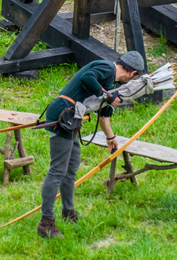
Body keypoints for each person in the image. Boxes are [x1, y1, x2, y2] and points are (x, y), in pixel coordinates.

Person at [37, 51, 145, 240]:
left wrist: (110, 137)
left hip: (71, 118)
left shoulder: (109, 82)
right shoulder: (107, 68)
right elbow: (87, 77)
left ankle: (68, 212)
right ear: (133, 73)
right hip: (63, 115)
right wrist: (105, 95)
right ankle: (46, 223)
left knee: (71, 168)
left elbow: (103, 114)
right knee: (57, 171)